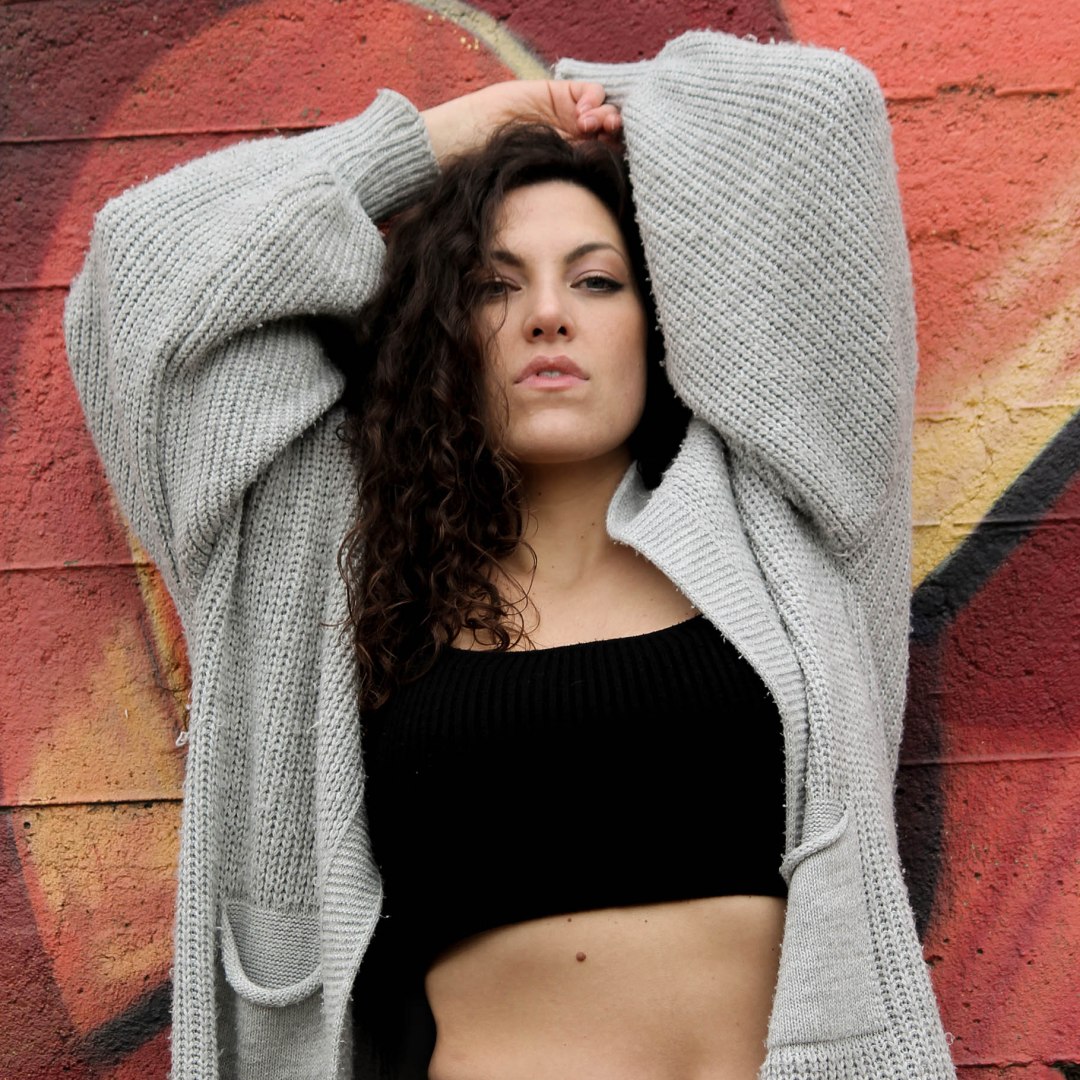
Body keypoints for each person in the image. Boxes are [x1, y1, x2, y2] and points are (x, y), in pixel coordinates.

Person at [63, 29, 956, 1080]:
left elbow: (823, 115)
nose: (547, 317)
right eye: (492, 286)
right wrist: (440, 137)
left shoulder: (785, 523)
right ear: (442, 335)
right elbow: (145, 263)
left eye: (597, 282)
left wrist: (579, 106)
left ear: (661, 321)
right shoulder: (342, 565)